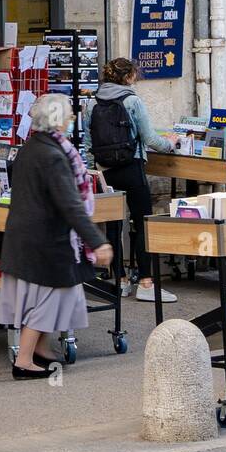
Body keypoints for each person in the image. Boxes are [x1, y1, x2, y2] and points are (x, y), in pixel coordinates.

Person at [0, 93, 114, 378]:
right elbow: (71, 205)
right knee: (53, 297)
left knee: (46, 296)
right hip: (47, 239)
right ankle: (24, 360)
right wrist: (98, 241)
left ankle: (42, 350)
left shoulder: (31, 148)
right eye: (66, 115)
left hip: (28, 235)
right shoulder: (53, 155)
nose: (70, 119)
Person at [91, 58, 178, 304]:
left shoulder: (92, 103)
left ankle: (120, 281)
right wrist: (171, 143)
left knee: (114, 226)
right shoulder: (133, 101)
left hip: (105, 171)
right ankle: (147, 282)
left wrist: (97, 169)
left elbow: (88, 144)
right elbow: (150, 138)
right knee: (143, 223)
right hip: (132, 168)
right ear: (128, 77)